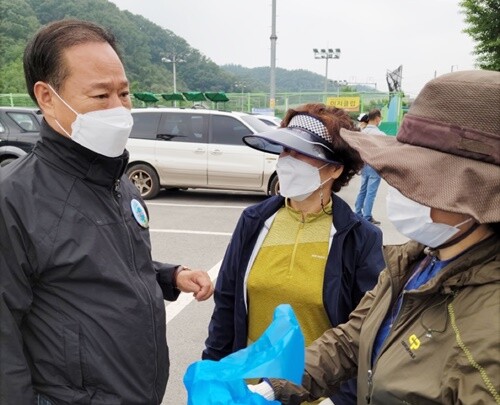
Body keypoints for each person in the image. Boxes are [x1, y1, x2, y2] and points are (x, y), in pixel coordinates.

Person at [249, 70, 500, 404]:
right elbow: (354, 338)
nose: (399, 188)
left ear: (475, 195)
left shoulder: (488, 329)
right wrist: (276, 385)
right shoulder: (416, 260)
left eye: (418, 178)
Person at [0, 19, 214, 404]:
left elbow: (102, 262)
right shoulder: (13, 198)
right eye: (101, 96)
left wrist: (170, 276)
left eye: (124, 93)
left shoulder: (118, 179)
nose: (119, 109)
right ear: (47, 97)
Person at [203, 103, 386, 404]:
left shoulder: (359, 238)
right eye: (284, 151)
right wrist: (215, 372)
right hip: (247, 392)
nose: (286, 161)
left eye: (300, 153)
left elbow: (368, 332)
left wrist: (339, 400)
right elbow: (226, 304)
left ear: (335, 169)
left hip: (320, 396)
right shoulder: (254, 222)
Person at [353, 109, 386, 225]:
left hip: (363, 164)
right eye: (380, 118)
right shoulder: (381, 135)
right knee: (371, 192)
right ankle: (367, 217)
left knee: (362, 190)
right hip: (375, 166)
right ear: (377, 118)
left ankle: (357, 213)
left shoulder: (361, 132)